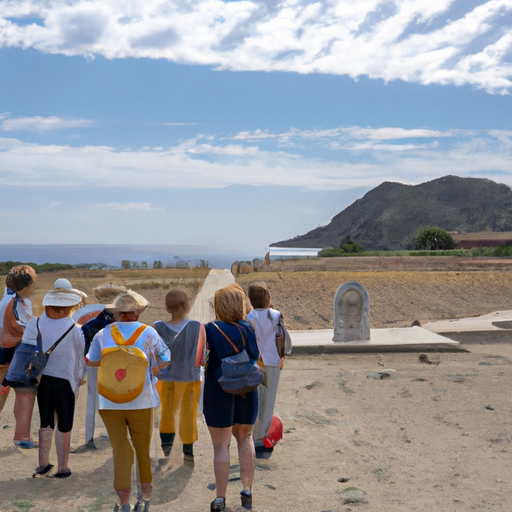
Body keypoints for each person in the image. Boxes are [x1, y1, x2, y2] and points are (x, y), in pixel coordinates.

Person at [86, 290, 170, 512]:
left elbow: (92, 362)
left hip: (110, 400)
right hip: (142, 400)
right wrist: (148, 370)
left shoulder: (103, 334)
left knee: (120, 449)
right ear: (135, 312)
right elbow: (164, 359)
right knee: (143, 450)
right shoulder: (149, 332)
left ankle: (124, 502)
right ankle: (145, 499)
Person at [16, 280, 86, 477]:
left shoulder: (35, 322)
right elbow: (80, 358)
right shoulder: (76, 328)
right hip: (66, 381)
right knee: (65, 422)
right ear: (70, 304)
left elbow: (26, 350)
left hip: (43, 379)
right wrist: (80, 378)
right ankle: (63, 467)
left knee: (45, 421)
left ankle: (43, 463)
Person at [203, 283, 259, 512]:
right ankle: (247, 493)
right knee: (245, 439)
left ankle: (220, 498)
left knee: (221, 445)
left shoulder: (210, 329)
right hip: (247, 387)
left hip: (219, 390)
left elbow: (199, 358)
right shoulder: (250, 327)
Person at [154, 289, 206, 465]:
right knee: (188, 414)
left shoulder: (158, 327)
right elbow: (202, 355)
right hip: (189, 379)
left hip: (165, 378)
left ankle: (167, 448)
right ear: (186, 306)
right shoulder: (196, 327)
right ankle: (188, 451)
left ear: (168, 308)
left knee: (166, 413)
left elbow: (155, 354)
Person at [246, 282, 291, 459]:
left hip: (255, 364)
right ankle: (263, 443)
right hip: (273, 363)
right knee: (268, 402)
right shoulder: (276, 315)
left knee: (255, 402)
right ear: (268, 298)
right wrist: (283, 356)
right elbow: (284, 338)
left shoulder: (248, 316)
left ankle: (254, 439)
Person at [79, 284, 126, 449]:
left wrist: (81, 372)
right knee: (116, 400)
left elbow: (85, 351)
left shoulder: (90, 324)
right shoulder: (125, 324)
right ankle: (114, 434)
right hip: (116, 366)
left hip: (94, 365)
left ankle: (89, 438)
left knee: (92, 401)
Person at [0, 265, 38, 447]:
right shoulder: (14, 303)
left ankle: (22, 437)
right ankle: (21, 437)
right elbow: (23, 328)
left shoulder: (14, 300)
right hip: (11, 355)